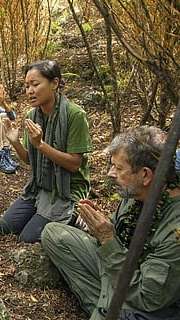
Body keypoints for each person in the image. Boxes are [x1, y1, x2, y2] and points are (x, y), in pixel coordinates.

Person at [42, 126, 180, 320]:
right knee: (54, 234)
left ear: (146, 175)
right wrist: (102, 226)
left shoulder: (175, 229)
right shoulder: (135, 194)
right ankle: (105, 308)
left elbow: (149, 297)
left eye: (119, 168)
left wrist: (108, 240)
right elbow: (121, 234)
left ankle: (107, 311)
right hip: (121, 270)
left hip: (150, 301)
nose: (110, 173)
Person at [0, 60, 93, 243]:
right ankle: (47, 212)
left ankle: (75, 217)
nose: (30, 91)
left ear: (54, 83)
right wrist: (15, 142)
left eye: (35, 84)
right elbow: (30, 160)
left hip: (67, 190)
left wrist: (41, 145)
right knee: (6, 227)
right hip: (41, 188)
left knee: (27, 238)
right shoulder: (32, 116)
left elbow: (74, 164)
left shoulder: (75, 115)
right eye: (26, 86)